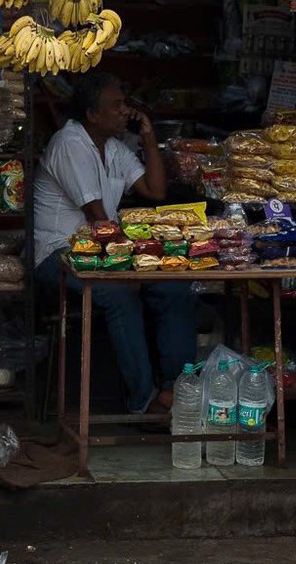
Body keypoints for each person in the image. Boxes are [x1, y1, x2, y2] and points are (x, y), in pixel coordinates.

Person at [31, 72, 197, 416]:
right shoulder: (70, 143)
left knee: (174, 286)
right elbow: (97, 218)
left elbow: (155, 192)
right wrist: (128, 269)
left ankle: (177, 389)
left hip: (103, 249)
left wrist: (149, 136)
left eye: (125, 104)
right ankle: (143, 400)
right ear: (93, 115)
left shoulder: (115, 147)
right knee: (119, 294)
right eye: (116, 105)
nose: (126, 111)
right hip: (58, 253)